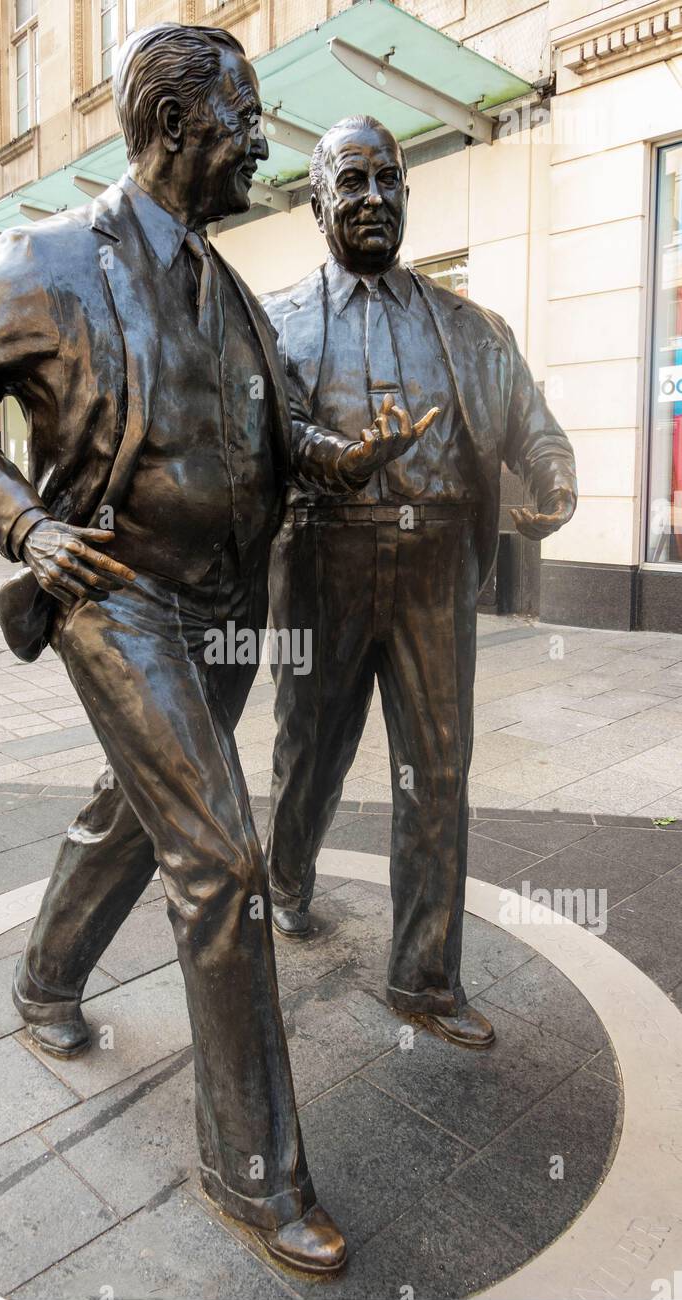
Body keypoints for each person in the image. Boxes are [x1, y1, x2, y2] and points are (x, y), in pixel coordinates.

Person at [0, 23, 347, 1276]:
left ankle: (45, 982)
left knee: (136, 813)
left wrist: (333, 457)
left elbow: (269, 430)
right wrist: (26, 528)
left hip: (228, 604)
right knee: (221, 856)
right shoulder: (47, 259)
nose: (261, 144)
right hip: (117, 596)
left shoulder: (230, 284)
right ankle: (255, 1173)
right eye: (244, 122)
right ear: (175, 129)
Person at [263, 115, 577, 1049]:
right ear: (318, 202)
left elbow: (532, 423)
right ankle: (285, 877)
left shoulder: (472, 329)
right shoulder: (276, 325)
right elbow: (260, 441)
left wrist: (555, 476)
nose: (371, 199)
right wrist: (332, 459)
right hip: (325, 558)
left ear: (406, 191)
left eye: (386, 180)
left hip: (437, 566)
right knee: (311, 750)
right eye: (350, 183)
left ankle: (424, 979)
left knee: (437, 770)